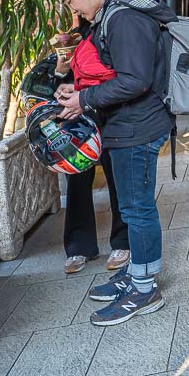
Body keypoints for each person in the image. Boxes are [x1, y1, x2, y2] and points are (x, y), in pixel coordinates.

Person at [47, 0, 172, 326]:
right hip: (126, 125)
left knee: (137, 209)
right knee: (134, 207)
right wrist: (81, 89)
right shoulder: (113, 14)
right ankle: (136, 271)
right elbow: (117, 75)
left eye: (71, 1)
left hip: (138, 127)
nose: (73, 10)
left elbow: (135, 80)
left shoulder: (123, 17)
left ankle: (145, 287)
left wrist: (84, 100)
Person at [55, 21, 131, 276]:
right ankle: (79, 245)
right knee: (76, 176)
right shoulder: (71, 34)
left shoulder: (113, 25)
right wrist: (59, 71)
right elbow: (53, 79)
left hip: (111, 113)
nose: (74, 7)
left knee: (117, 176)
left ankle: (122, 242)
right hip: (77, 119)